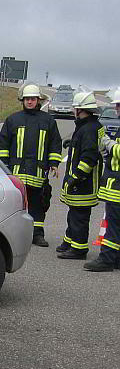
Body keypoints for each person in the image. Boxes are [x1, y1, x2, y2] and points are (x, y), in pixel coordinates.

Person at [0, 84, 62, 246]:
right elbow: (3, 145)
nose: (30, 102)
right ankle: (13, 235)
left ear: (38, 100)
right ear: (22, 100)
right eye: (27, 99)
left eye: (32, 99)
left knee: (38, 204)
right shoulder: (13, 120)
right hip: (16, 173)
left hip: (38, 173)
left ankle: (37, 234)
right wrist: (4, 166)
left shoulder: (48, 121)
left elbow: (55, 144)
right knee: (15, 205)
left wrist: (54, 163)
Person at [56, 92, 103, 260]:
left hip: (84, 183)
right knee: (73, 214)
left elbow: (89, 157)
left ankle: (78, 249)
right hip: (81, 183)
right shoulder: (87, 126)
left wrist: (76, 176)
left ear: (80, 109)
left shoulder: (89, 129)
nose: (73, 110)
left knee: (79, 217)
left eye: (75, 108)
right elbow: (85, 146)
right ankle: (69, 242)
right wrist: (72, 143)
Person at [86, 99, 120, 271]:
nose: (117, 108)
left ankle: (106, 260)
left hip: (117, 187)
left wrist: (109, 144)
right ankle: (116, 259)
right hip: (115, 184)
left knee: (113, 225)